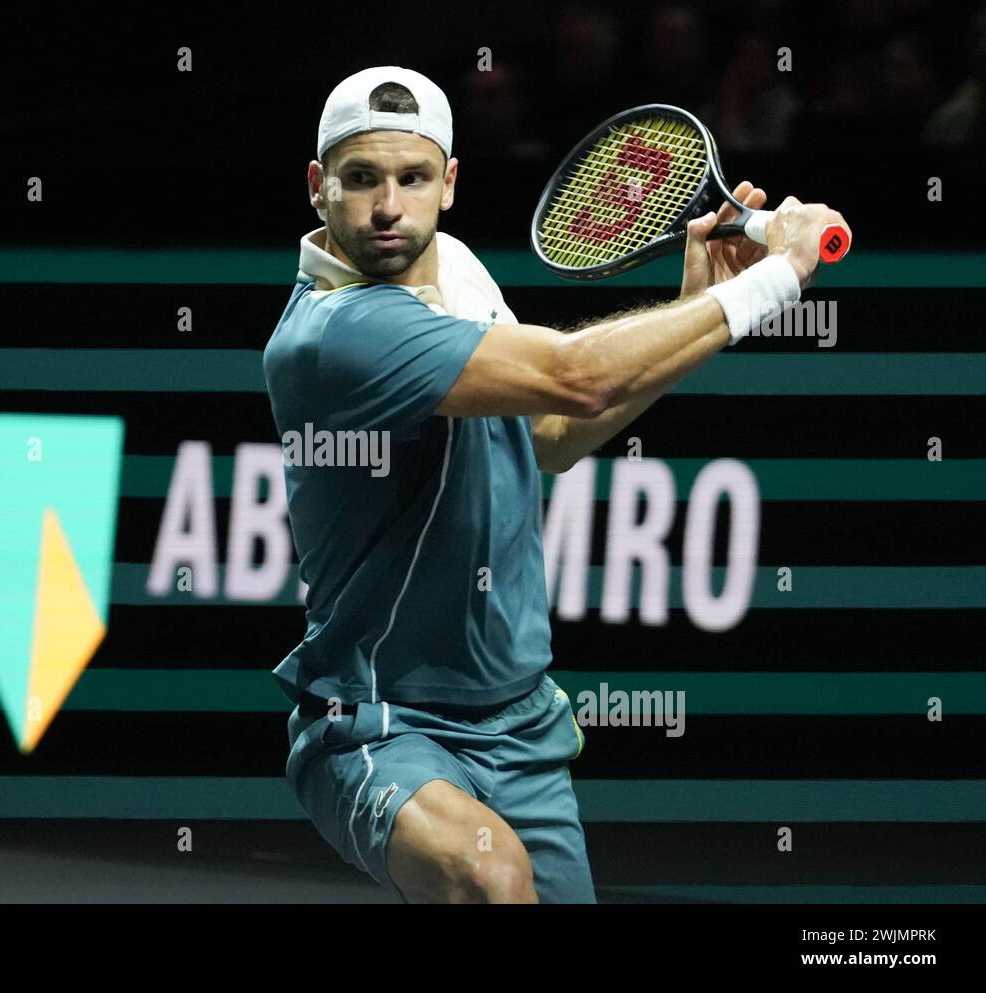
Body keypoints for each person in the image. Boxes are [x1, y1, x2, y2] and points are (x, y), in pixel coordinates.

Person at [263, 66, 847, 903]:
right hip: (380, 720)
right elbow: (576, 376)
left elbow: (555, 436)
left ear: (450, 183)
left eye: (412, 177)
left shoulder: (455, 271)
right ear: (319, 188)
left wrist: (697, 309)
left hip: (521, 721)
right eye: (360, 179)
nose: (388, 205)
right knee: (490, 875)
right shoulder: (334, 335)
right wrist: (778, 277)